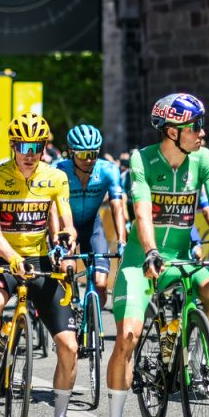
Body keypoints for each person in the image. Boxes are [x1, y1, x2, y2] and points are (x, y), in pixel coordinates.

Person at [100, 94, 209, 417]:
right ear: (172, 131)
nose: (202, 132)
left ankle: (195, 355)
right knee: (128, 338)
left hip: (182, 258)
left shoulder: (204, 160)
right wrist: (151, 251)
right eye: (195, 126)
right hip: (143, 260)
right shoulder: (142, 160)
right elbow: (142, 212)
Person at [0, 112, 83, 417]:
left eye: (36, 146)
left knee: (69, 345)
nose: (29, 153)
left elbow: (65, 218)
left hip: (40, 261)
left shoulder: (56, 177)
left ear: (44, 147)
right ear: (13, 146)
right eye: (22, 146)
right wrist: (13, 258)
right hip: (6, 258)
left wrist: (68, 236)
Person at [55, 124, 128, 305]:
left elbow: (117, 206)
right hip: (66, 228)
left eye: (93, 154)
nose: (89, 160)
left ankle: (93, 319)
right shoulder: (59, 170)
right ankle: (71, 313)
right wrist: (55, 239)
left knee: (101, 284)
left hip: (92, 227)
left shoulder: (108, 170)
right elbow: (52, 209)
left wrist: (121, 241)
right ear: (71, 152)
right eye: (83, 155)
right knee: (66, 272)